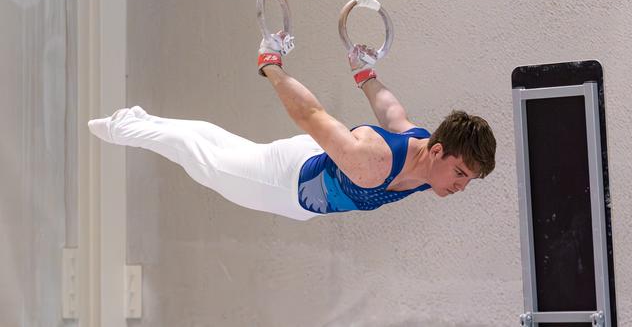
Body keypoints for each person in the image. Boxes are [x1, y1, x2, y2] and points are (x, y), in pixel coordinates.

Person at [88, 32, 496, 221]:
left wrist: (365, 75)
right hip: (287, 184)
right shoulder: (372, 161)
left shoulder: (424, 148)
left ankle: (144, 121)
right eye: (460, 173)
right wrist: (272, 68)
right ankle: (126, 127)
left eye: (468, 180)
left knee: (221, 145)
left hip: (316, 173)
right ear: (440, 152)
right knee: (207, 163)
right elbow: (311, 115)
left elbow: (392, 112)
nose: (460, 185)